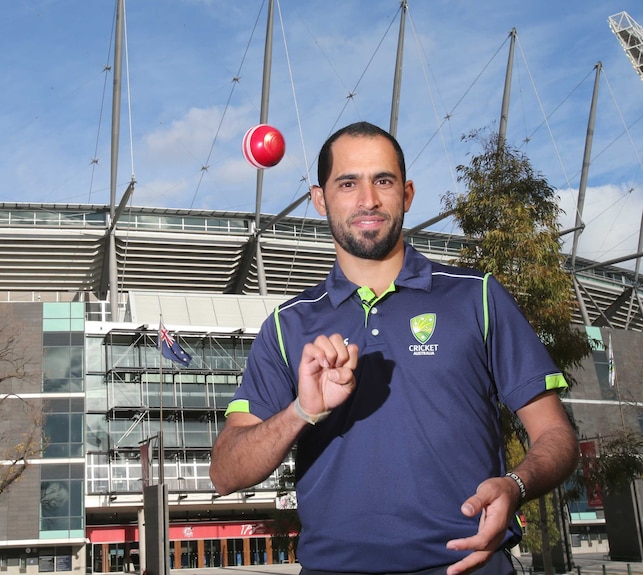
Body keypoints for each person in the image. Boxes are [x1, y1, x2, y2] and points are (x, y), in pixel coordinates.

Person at [211, 121, 578, 575]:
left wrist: (516, 485)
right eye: (348, 183)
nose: (368, 200)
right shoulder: (288, 326)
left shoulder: (477, 297)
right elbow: (224, 472)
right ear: (320, 198)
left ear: (406, 194)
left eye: (382, 181)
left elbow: (556, 436)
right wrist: (300, 412)